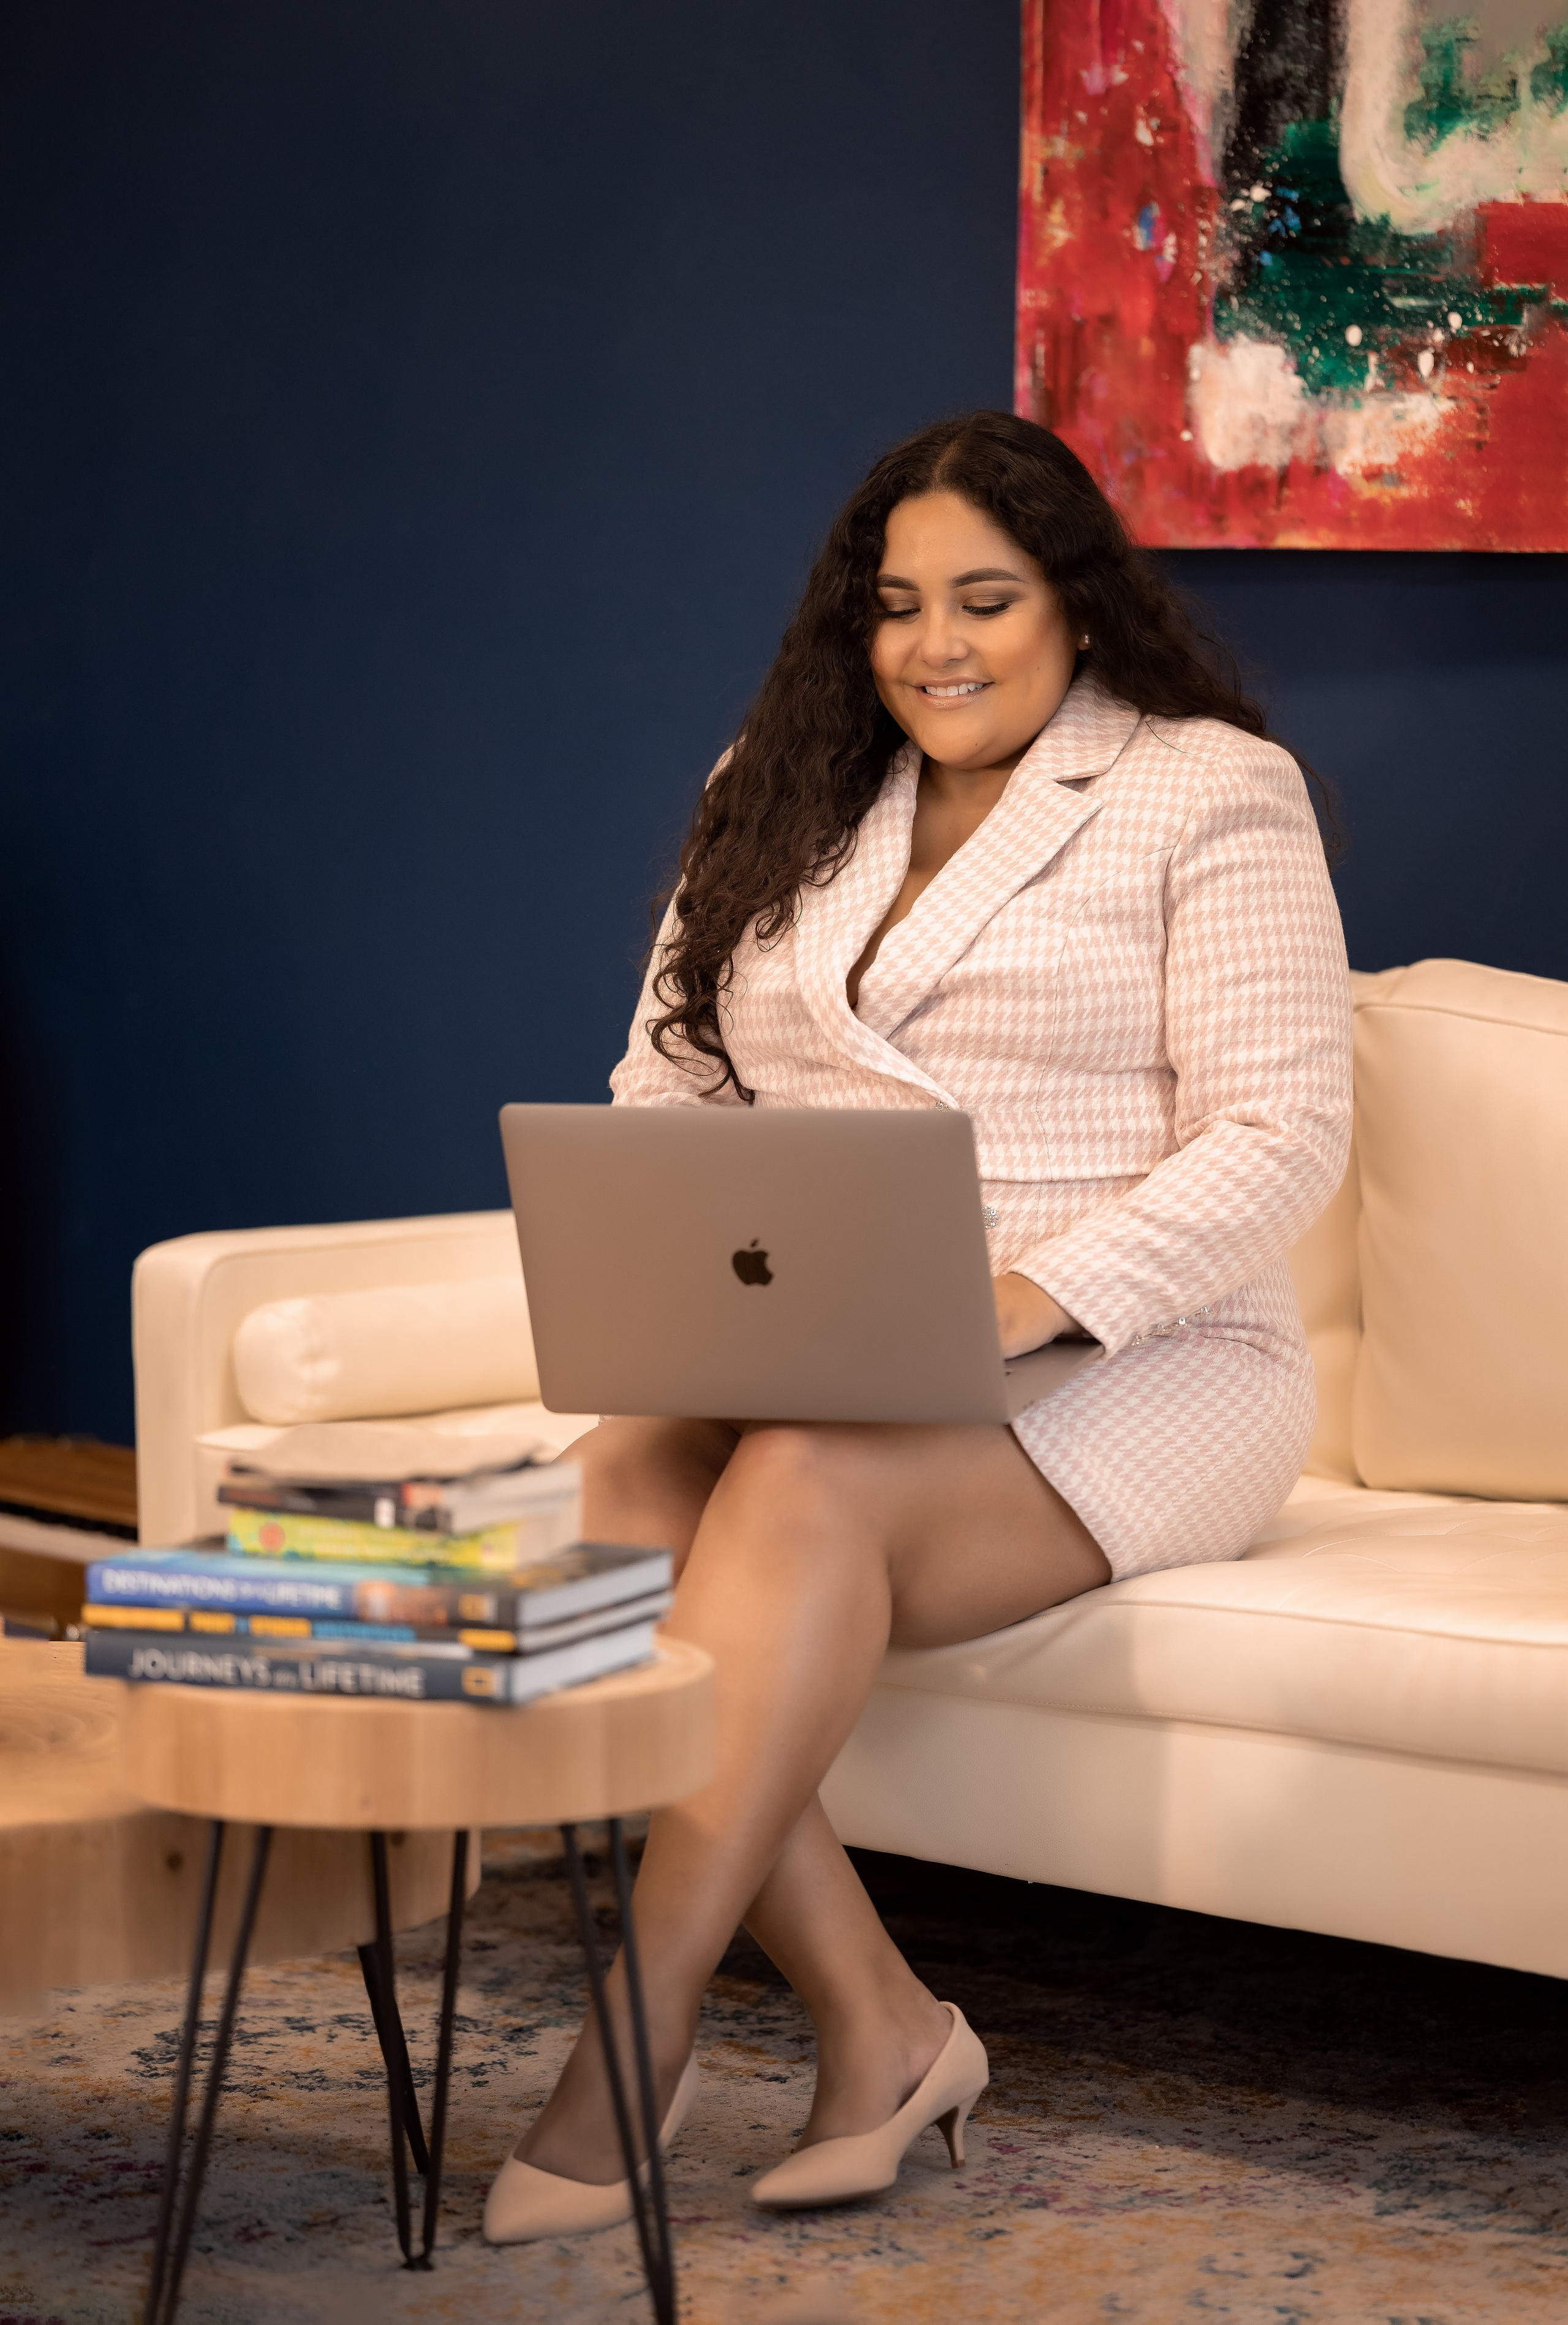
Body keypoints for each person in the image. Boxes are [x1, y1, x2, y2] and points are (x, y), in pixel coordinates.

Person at [484, 409, 1352, 2239]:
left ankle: (634, 2036)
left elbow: (1282, 1135)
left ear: (1078, 604)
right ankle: (881, 2026)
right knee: (613, 1495)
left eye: (984, 598)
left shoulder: (1211, 789)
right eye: (896, 605)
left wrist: (1020, 1301)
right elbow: (667, 1080)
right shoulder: (777, 778)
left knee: (802, 1475)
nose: (933, 645)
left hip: (1138, 1351)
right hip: (815, 1329)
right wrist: (695, 1279)